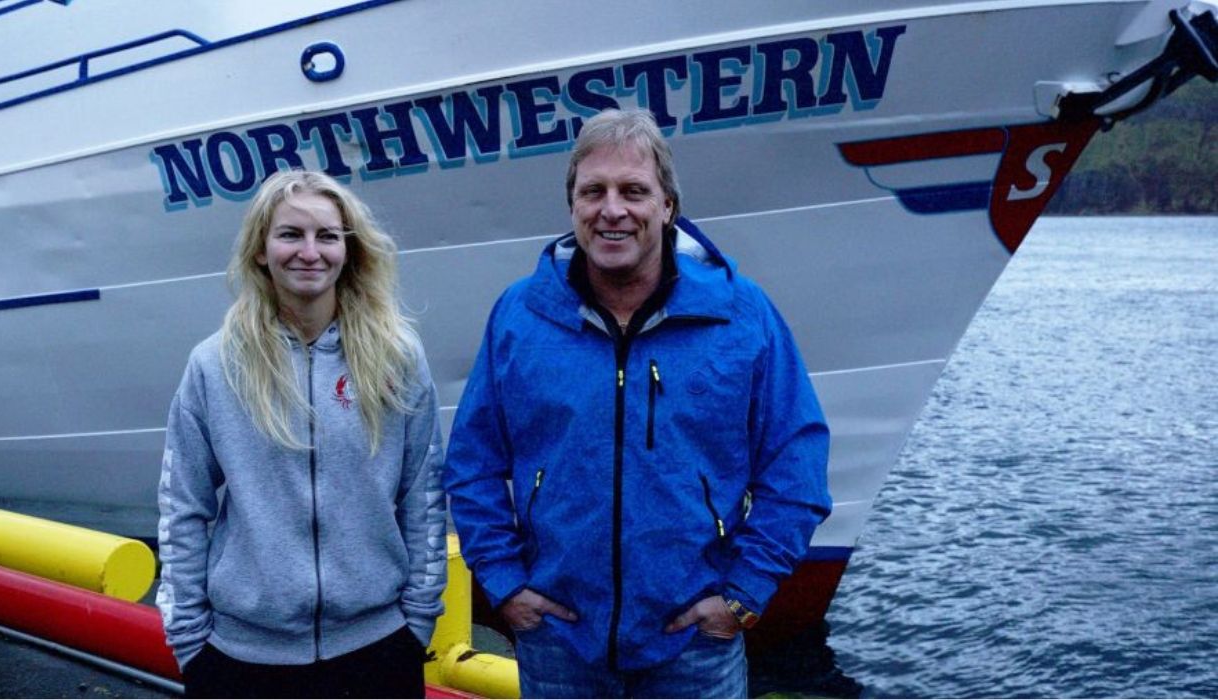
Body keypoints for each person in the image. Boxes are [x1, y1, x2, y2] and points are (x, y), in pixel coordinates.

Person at [442, 109, 832, 698]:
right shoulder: (520, 318)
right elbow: (472, 462)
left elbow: (796, 462)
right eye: (592, 191)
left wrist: (743, 594)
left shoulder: (741, 315)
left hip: (695, 647)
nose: (612, 210)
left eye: (634, 191)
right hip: (558, 642)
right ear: (572, 206)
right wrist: (504, 583)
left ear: (668, 205)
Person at [156, 170, 447, 698]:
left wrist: (418, 620)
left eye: (327, 236)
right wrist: (189, 640)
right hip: (243, 658)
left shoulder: (397, 357)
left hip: (377, 649)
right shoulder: (215, 365)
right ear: (261, 250)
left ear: (348, 249)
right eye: (290, 234)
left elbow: (423, 493)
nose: (309, 252)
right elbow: (183, 506)